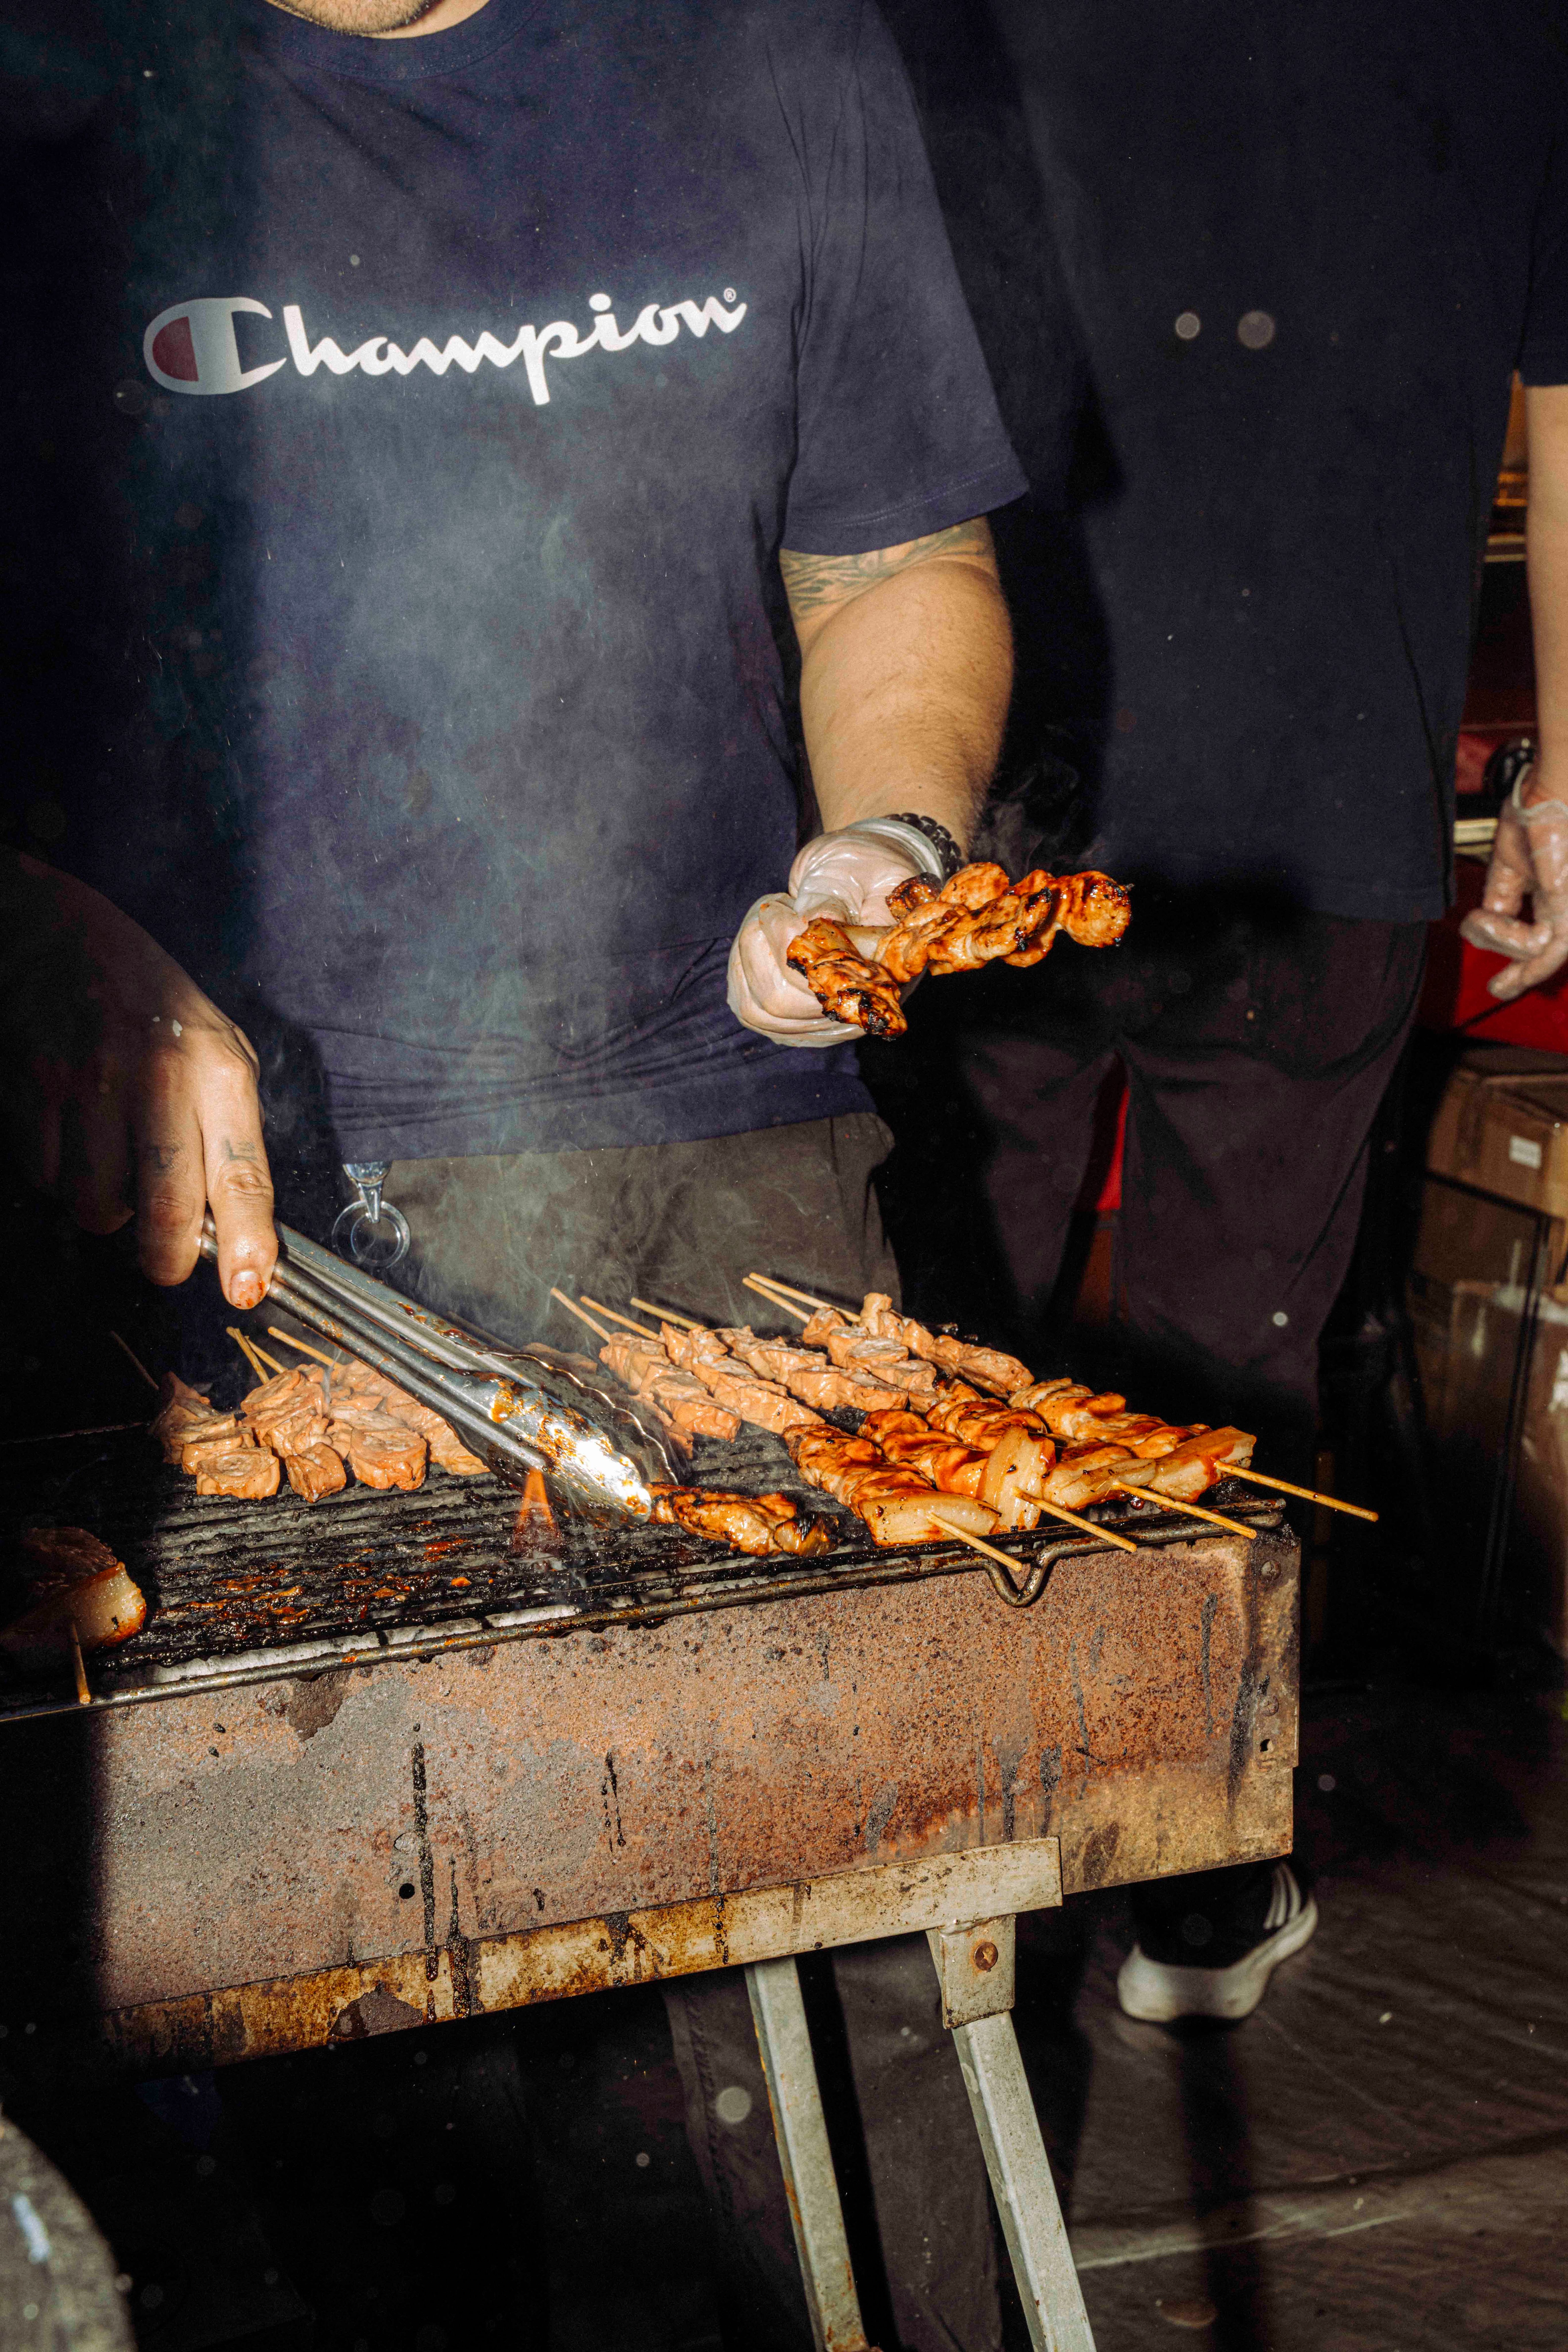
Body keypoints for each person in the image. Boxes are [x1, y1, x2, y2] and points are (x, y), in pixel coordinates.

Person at [1, 0, 1029, 2341]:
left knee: (853, 1964)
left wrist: (884, 839)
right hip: (214, 1218)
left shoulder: (778, 54)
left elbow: (893, 564)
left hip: (729, 1171)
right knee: (333, 2060)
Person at [870, 0, 1568, 2024]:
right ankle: (1185, 1872)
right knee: (1230, 1350)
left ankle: (930, 1815)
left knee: (940, 1342)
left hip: (981, 782)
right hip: (1314, 790)